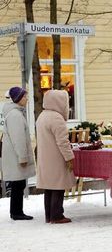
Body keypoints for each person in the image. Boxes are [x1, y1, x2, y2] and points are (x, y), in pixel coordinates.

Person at [36, 90, 75, 224]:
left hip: (45, 158)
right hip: (56, 158)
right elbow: (63, 142)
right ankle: (57, 215)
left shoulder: (42, 116)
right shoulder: (57, 118)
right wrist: (69, 158)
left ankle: (49, 215)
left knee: (49, 187)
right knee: (58, 187)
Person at [1, 87, 36, 220]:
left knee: (18, 183)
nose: (27, 99)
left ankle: (16, 211)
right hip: (16, 157)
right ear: (18, 99)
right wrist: (22, 157)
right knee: (18, 184)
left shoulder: (14, 113)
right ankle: (16, 212)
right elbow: (18, 139)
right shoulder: (15, 115)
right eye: (25, 97)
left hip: (14, 155)